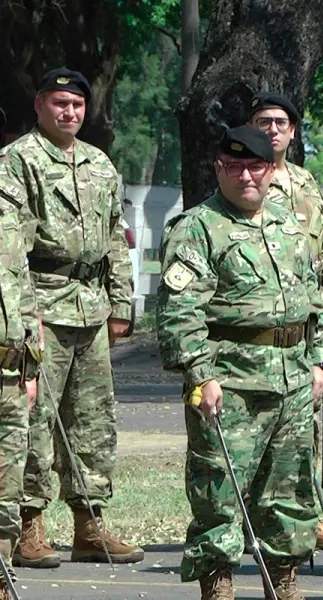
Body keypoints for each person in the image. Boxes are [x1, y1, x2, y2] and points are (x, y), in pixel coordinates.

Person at [156, 125, 323, 600]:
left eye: (256, 166)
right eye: (234, 167)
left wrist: (319, 362)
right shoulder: (198, 227)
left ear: (271, 170)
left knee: (289, 489)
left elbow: (313, 297)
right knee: (219, 492)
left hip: (292, 377)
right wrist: (201, 374)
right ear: (218, 169)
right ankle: (219, 585)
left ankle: (284, 581)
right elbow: (179, 310)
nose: (246, 176)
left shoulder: (287, 221)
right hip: (231, 381)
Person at [0, 67, 141, 568]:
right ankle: (29, 524)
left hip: (91, 305)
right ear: (39, 105)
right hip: (40, 300)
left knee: (92, 420)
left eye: (77, 105)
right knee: (35, 420)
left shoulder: (100, 163)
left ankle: (90, 521)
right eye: (59, 103)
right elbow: (9, 247)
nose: (70, 112)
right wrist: (20, 316)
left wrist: (122, 303)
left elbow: (115, 238)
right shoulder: (17, 161)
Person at [247, 91, 323, 551]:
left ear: (293, 131)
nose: (273, 129)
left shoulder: (306, 184)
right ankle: (251, 520)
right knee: (254, 425)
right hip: (259, 317)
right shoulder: (244, 177)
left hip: (307, 317)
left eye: (281, 122)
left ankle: (302, 517)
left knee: (303, 422)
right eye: (263, 121)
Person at [0, 158, 41, 600]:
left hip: (9, 374)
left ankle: (1, 574)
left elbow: (22, 291)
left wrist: (29, 367)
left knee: (8, 485)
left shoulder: (9, 212)